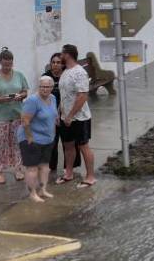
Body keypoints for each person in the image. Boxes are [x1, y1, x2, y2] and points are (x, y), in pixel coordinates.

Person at [0, 47, 28, 184]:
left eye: (10, 64)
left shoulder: (19, 75)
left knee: (17, 143)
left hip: (16, 115)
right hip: (0, 117)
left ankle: (18, 168)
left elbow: (25, 91)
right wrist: (3, 99)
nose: (7, 66)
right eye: (5, 64)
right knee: (0, 144)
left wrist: (20, 96)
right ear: (0, 61)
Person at [56, 44, 96, 187]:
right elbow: (64, 95)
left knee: (83, 146)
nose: (60, 55)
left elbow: (82, 96)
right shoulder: (66, 71)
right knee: (68, 145)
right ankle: (68, 173)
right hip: (65, 117)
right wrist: (59, 113)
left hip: (80, 118)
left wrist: (71, 115)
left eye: (62, 53)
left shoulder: (79, 72)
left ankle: (90, 177)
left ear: (68, 54)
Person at [17, 75, 58, 202]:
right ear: (39, 87)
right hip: (32, 139)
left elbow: (53, 116)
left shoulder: (53, 98)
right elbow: (25, 120)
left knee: (45, 166)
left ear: (52, 87)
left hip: (47, 139)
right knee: (32, 168)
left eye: (48, 87)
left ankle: (43, 190)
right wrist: (29, 137)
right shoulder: (33, 100)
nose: (45, 89)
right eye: (42, 86)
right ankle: (32, 193)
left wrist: (53, 132)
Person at [42, 53, 79, 179]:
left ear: (62, 64)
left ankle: (68, 167)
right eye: (53, 62)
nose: (55, 64)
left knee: (68, 142)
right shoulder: (46, 77)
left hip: (66, 113)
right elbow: (43, 96)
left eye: (58, 62)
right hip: (51, 114)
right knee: (52, 141)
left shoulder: (67, 76)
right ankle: (51, 166)